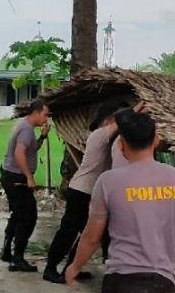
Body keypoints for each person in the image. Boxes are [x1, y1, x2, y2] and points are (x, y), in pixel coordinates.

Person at [65, 111, 175, 293]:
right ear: (155, 140)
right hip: (161, 286)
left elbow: (91, 236)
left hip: (121, 284)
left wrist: (75, 267)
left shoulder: (108, 182)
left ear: (121, 145)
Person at [43, 102, 141, 283]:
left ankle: (71, 269)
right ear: (107, 122)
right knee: (69, 231)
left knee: (89, 235)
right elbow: (122, 123)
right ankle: (50, 268)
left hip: (92, 194)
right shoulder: (98, 135)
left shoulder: (115, 143)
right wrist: (140, 107)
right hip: (81, 191)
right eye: (115, 121)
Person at [0, 99, 50, 272]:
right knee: (28, 217)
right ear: (35, 112)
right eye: (45, 114)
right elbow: (19, 153)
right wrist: (29, 177)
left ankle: (7, 251)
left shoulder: (24, 126)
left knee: (17, 214)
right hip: (16, 177)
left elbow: (30, 150)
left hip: (9, 175)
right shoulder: (26, 129)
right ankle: (17, 257)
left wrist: (42, 137)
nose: (46, 118)